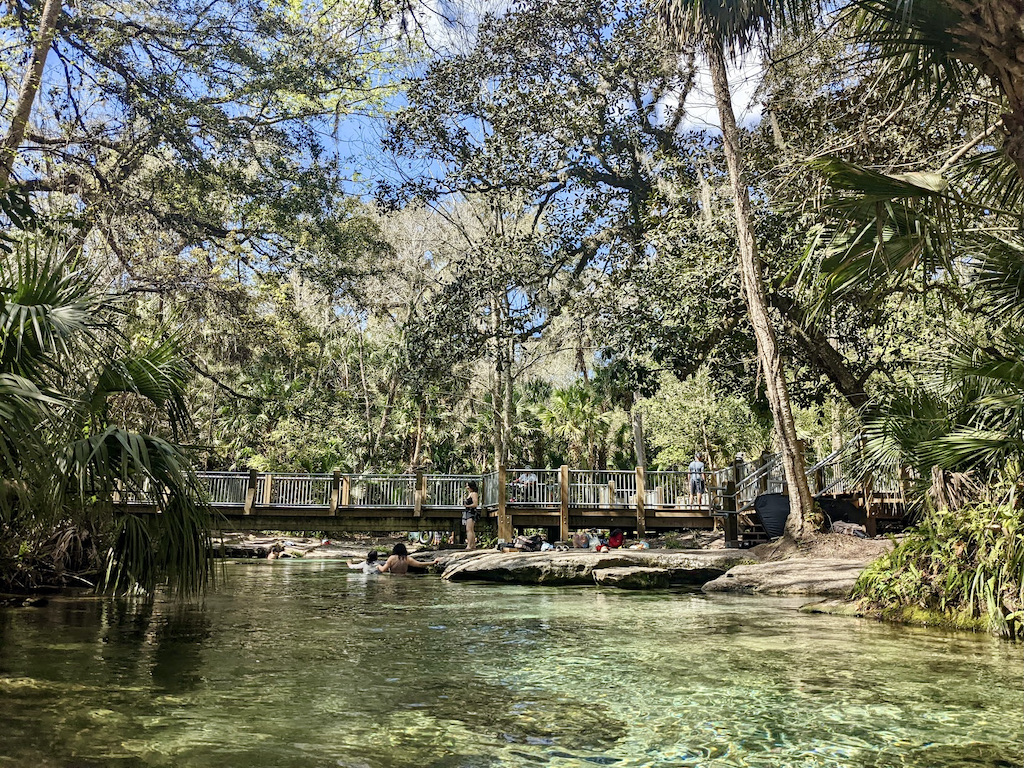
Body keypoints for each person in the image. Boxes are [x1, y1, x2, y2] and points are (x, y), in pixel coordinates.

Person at [462, 480, 480, 549]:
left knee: (469, 529)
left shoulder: (474, 494)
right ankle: (472, 545)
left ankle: (469, 545)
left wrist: (468, 506)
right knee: (470, 529)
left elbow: (475, 504)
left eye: (467, 486)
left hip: (471, 512)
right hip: (468, 512)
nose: (466, 487)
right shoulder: (470, 493)